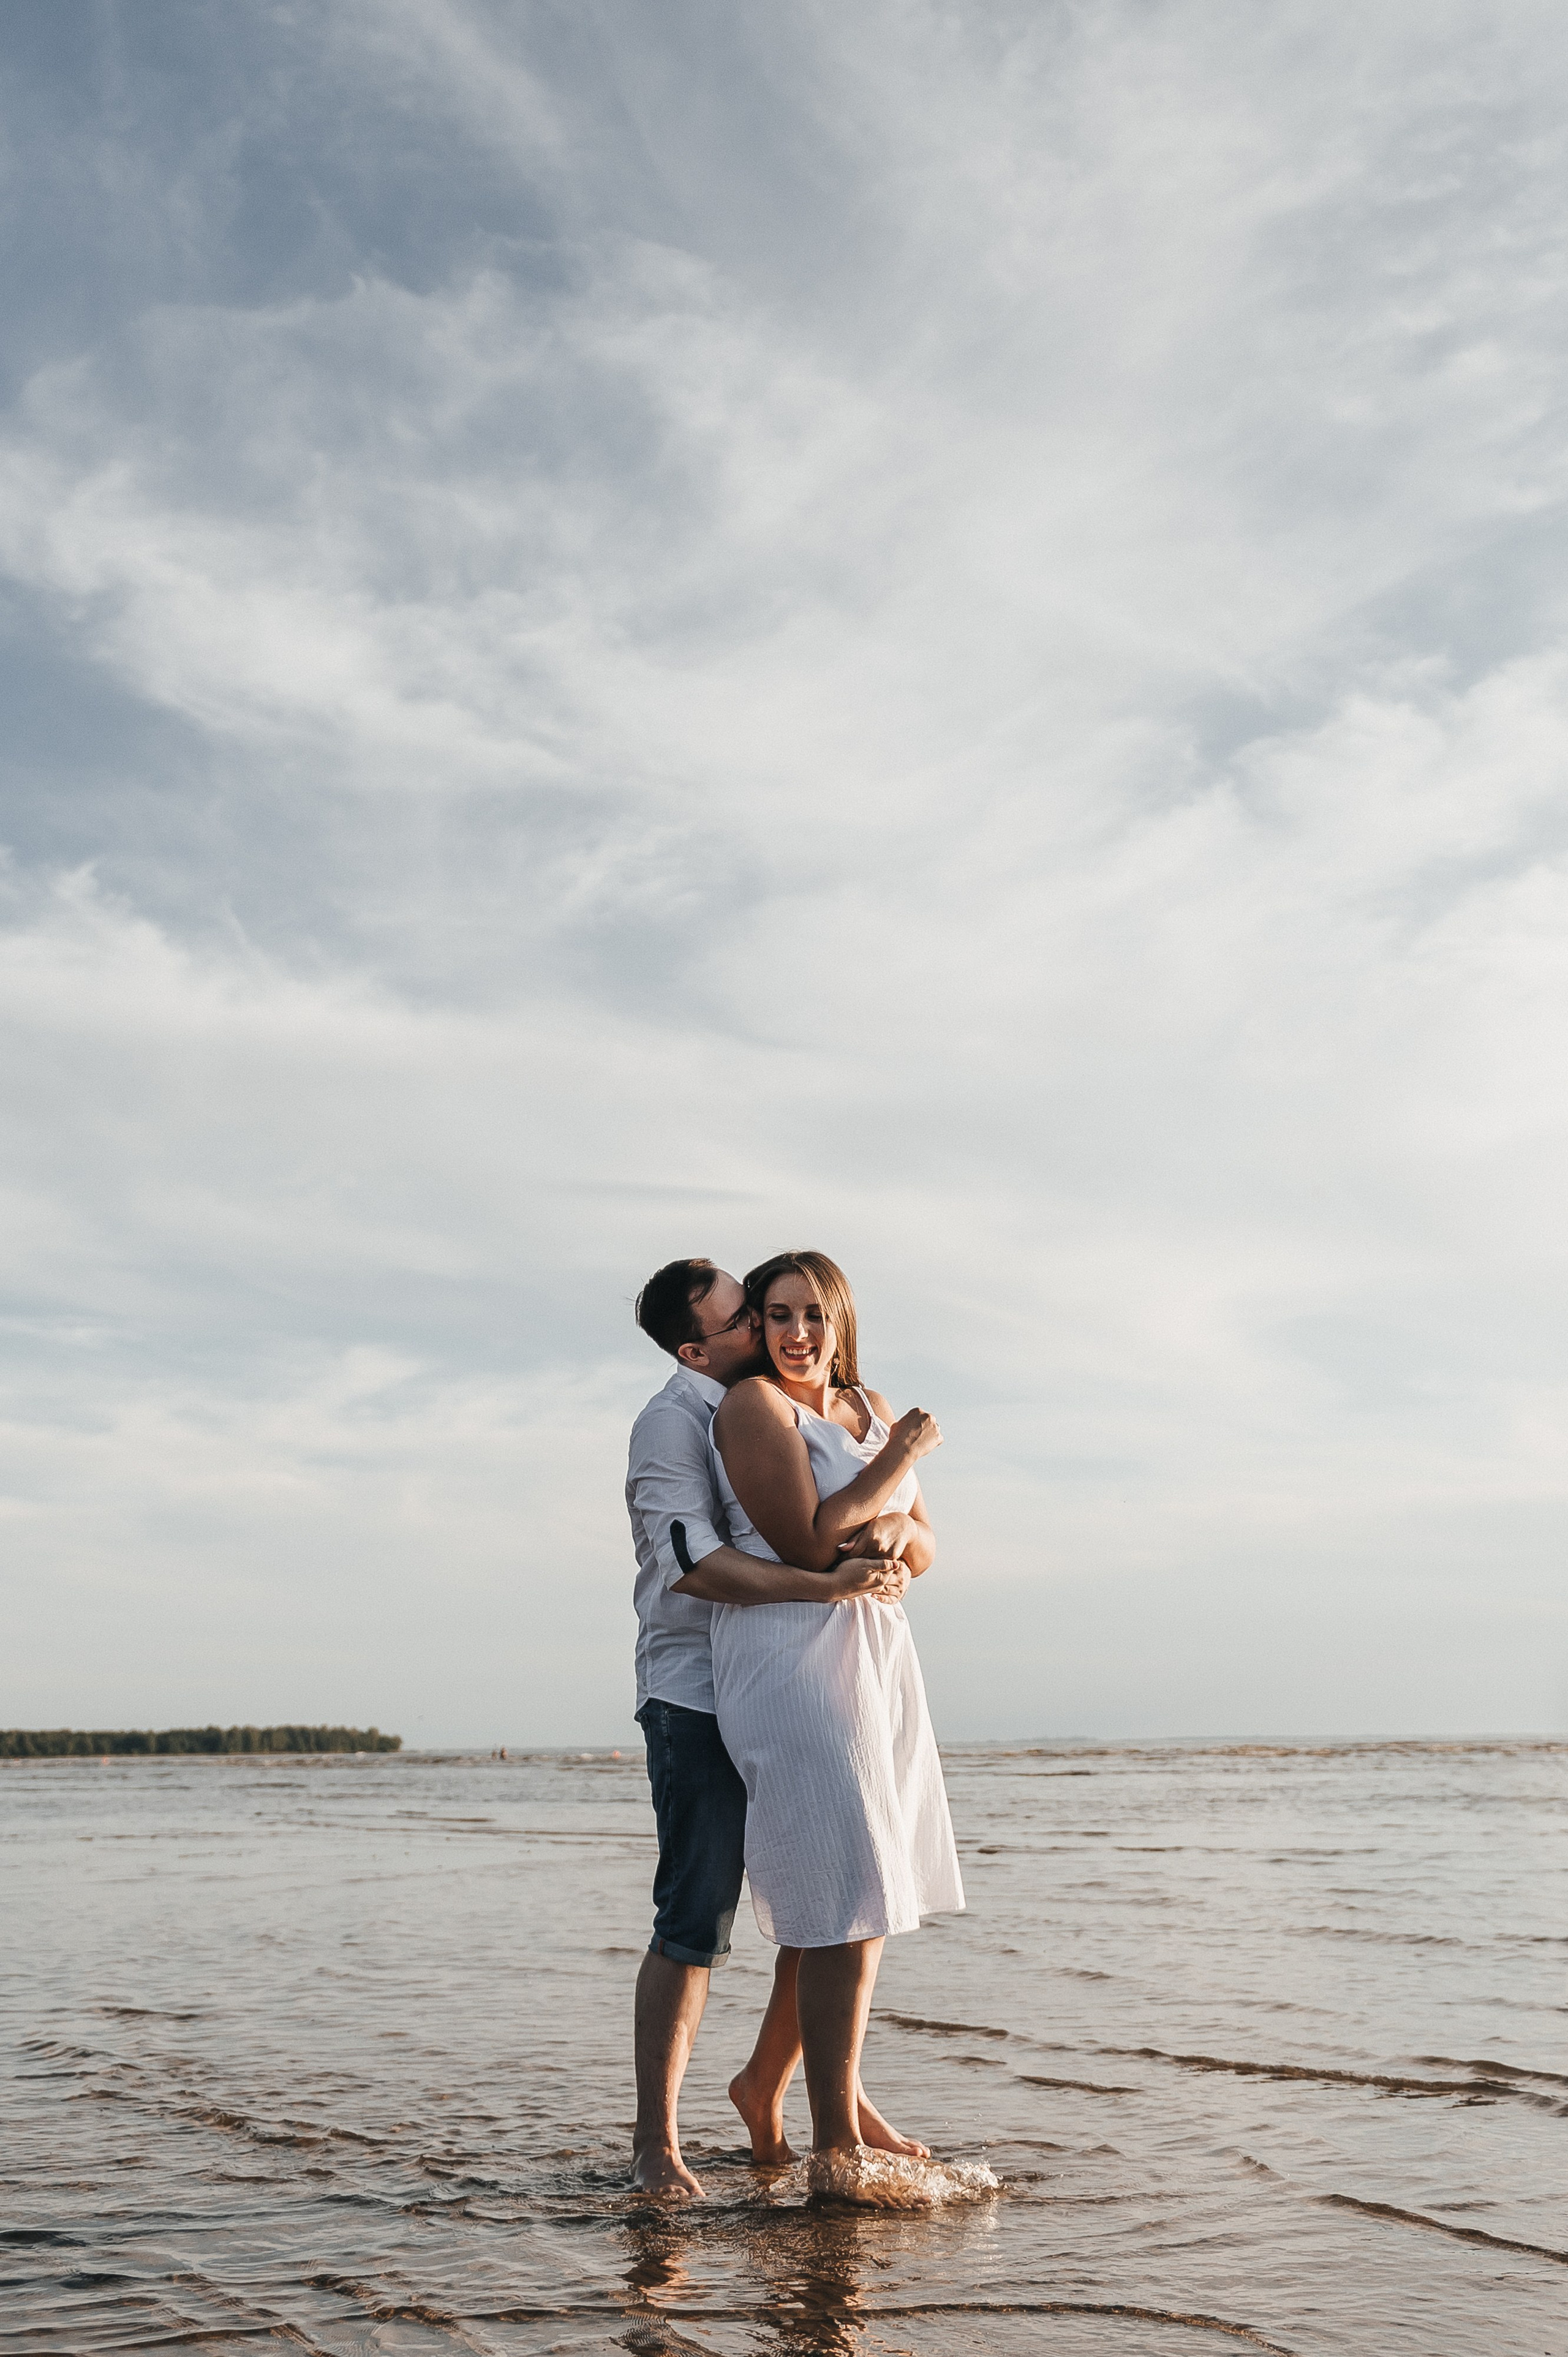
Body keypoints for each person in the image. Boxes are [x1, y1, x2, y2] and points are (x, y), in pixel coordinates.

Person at [626, 1258, 919, 2198]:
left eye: (774, 1313)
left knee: (825, 1889)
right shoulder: (675, 1422)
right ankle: (657, 2145)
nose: (765, 1330)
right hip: (698, 1693)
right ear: (695, 1347)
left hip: (803, 1672)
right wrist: (826, 1582)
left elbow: (891, 1531)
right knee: (695, 1917)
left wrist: (884, 1548)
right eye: (747, 1319)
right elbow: (699, 1567)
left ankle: (800, 2091)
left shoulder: (793, 1401)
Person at [705, 1250, 963, 2180]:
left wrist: (899, 1530)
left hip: (876, 1655)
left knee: (858, 1895)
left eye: (814, 1315)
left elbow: (925, 1541)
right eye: (778, 1316)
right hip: (790, 1651)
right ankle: (837, 2142)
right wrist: (900, 1459)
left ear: (841, 1320)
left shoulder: (867, 1406)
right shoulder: (754, 1409)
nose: (798, 1335)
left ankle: (773, 2085)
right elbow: (808, 1541)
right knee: (844, 1886)